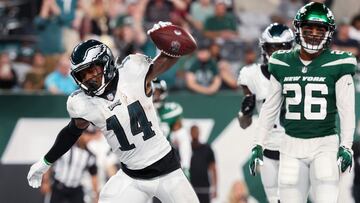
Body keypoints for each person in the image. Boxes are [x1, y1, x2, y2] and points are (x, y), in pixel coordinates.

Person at [27, 21, 199, 203]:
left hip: (168, 171)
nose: (89, 78)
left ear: (106, 62)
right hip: (132, 177)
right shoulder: (82, 103)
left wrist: (170, 38)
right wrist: (45, 162)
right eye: (82, 74)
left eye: (92, 69)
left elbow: (172, 55)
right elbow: (71, 132)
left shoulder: (133, 71)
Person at [249, 2, 357, 203]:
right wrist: (258, 143)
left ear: (329, 32)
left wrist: (346, 145)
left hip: (325, 144)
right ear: (298, 29)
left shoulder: (340, 62)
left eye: (320, 29)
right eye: (309, 28)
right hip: (290, 145)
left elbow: (347, 110)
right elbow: (269, 108)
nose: (314, 33)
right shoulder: (281, 61)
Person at [238, 23, 294, 203]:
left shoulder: (302, 72)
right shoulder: (251, 75)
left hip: (295, 148)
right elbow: (244, 124)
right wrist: (244, 112)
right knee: (274, 200)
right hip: (269, 148)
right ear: (264, 48)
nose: (276, 52)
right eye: (272, 47)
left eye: (281, 47)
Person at [40, 125, 99, 203]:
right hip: (59, 186)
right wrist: (45, 182)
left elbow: (94, 175)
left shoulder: (90, 156)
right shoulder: (65, 146)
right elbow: (49, 162)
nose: (87, 137)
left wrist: (95, 194)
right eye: (86, 134)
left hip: (76, 188)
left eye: (90, 135)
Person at [152, 79, 192, 178]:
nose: (154, 96)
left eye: (157, 92)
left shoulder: (171, 110)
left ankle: (185, 167)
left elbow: (180, 137)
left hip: (166, 155)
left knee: (182, 134)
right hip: (144, 157)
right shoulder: (140, 111)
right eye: (152, 92)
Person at [189, 125, 217, 203]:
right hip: (190, 188)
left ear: (199, 133)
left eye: (196, 131)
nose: (195, 133)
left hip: (204, 189)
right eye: (193, 131)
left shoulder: (207, 149)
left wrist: (215, 187)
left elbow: (213, 168)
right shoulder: (187, 149)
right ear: (190, 133)